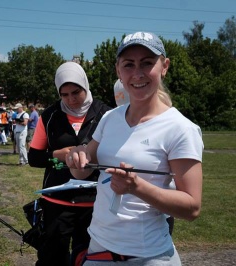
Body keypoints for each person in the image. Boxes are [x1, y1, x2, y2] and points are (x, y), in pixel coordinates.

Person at [67, 32, 203, 265]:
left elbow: (191, 207)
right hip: (99, 248)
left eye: (147, 63)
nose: (138, 73)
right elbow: (82, 169)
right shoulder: (110, 118)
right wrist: (76, 157)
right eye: (129, 64)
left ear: (164, 66)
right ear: (119, 71)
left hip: (148, 255)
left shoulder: (181, 128)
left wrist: (137, 187)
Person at [28, 62, 111, 266]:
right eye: (64, 94)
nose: (71, 99)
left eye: (76, 92)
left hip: (95, 202)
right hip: (57, 203)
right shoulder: (49, 115)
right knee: (52, 258)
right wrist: (57, 155)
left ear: (86, 86)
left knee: (91, 259)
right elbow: (33, 158)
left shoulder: (107, 114)